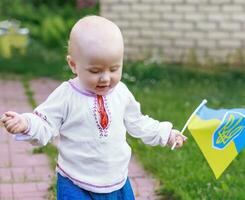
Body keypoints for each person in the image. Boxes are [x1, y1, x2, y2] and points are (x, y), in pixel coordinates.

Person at [0, 15, 187, 200]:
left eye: (114, 69)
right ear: (73, 65)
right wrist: (26, 123)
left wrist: (166, 134)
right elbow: (45, 122)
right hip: (75, 183)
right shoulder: (67, 95)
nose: (105, 78)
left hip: (116, 181)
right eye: (95, 71)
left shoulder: (121, 92)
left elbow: (138, 122)